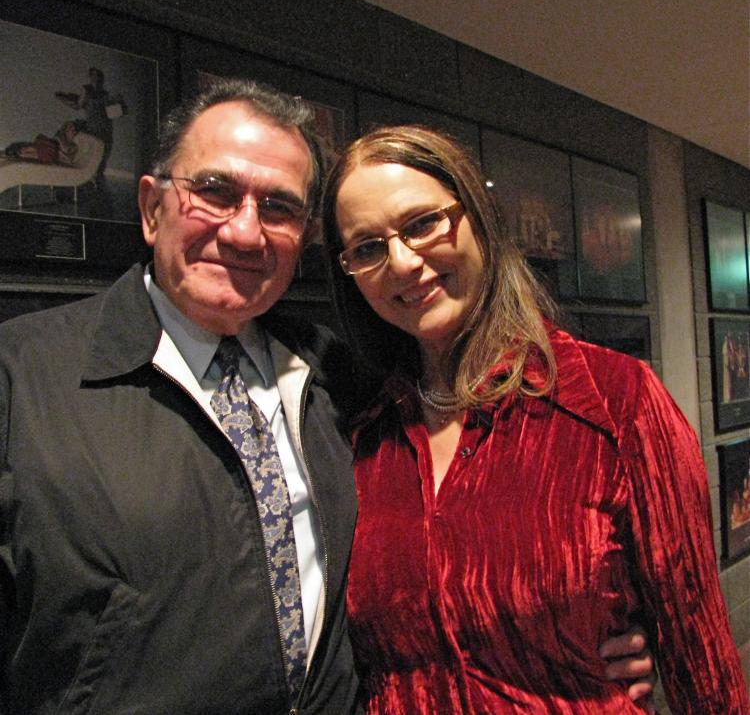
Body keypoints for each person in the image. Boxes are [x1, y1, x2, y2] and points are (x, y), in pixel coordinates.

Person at [0, 81, 653, 714]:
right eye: (215, 192)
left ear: (306, 238)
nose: (246, 232)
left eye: (278, 208)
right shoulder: (22, 376)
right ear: (151, 208)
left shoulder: (342, 377)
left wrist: (574, 637)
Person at [321, 124, 750, 713]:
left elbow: (701, 657)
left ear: (478, 220)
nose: (401, 262)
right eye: (368, 248)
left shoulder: (615, 401)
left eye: (422, 224)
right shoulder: (363, 430)